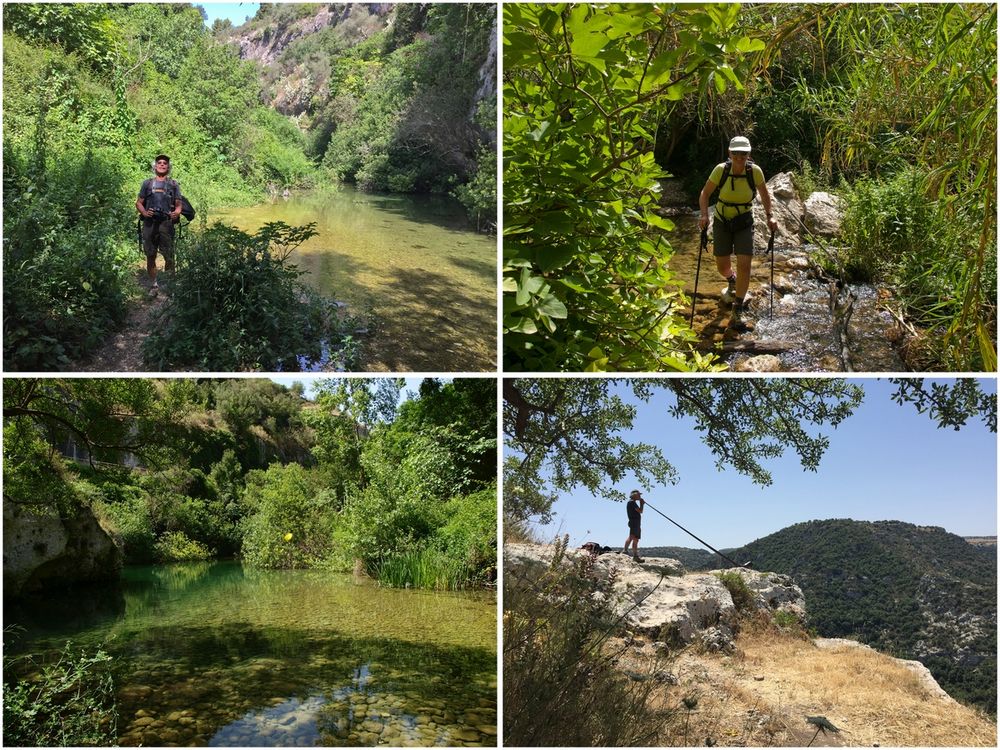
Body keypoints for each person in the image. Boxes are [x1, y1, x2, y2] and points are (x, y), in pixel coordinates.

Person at [698, 136, 779, 331]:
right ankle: (730, 279)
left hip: (744, 221)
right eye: (736, 154)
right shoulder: (721, 170)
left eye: (744, 154)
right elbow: (705, 194)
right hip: (722, 220)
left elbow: (765, 195)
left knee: (745, 263)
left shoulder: (755, 172)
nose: (740, 157)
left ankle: (738, 309)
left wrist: (770, 217)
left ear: (749, 154)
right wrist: (703, 215)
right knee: (722, 264)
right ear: (730, 154)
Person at [136, 154, 182, 296]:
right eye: (159, 163)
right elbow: (139, 202)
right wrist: (144, 213)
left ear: (168, 167)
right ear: (155, 166)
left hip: (166, 224)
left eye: (165, 163)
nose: (162, 165)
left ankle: (170, 286)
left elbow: (179, 205)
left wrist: (176, 213)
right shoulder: (147, 184)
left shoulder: (173, 184)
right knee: (151, 255)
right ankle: (154, 286)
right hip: (149, 224)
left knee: (169, 255)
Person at [622, 489, 645, 562]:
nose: (639, 496)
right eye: (638, 495)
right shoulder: (632, 502)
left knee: (636, 539)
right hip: (634, 522)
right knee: (632, 536)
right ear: (634, 495)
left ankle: (635, 555)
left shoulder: (632, 502)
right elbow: (640, 511)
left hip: (636, 522)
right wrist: (642, 504)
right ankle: (625, 551)